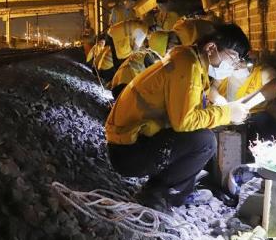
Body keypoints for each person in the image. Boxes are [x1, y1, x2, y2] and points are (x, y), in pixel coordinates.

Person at [105, 24, 249, 210]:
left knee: (203, 131)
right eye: (233, 57)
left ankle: (180, 189)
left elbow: (194, 105)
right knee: (205, 141)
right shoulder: (187, 66)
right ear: (211, 48)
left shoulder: (190, 61)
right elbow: (184, 122)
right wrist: (228, 113)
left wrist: (221, 107)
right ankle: (156, 193)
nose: (233, 65)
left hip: (130, 143)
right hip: (128, 153)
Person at [209, 24, 276, 141]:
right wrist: (222, 103)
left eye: (241, 59)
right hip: (223, 118)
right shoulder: (224, 71)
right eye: (233, 60)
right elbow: (211, 89)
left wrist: (242, 105)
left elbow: (275, 86)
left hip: (251, 121)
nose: (237, 64)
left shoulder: (262, 72)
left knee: (263, 119)